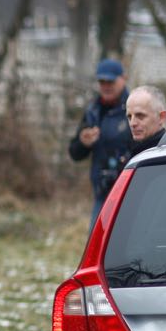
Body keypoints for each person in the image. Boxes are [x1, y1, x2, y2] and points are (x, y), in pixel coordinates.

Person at [68, 59, 132, 229]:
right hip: (102, 195)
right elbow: (75, 153)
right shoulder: (93, 111)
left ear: (123, 78)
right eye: (102, 81)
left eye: (110, 81)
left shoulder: (133, 109)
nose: (106, 86)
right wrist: (83, 142)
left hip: (131, 193)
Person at [126, 85, 166, 158]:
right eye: (129, 117)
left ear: (161, 117)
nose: (132, 123)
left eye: (140, 116)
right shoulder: (132, 151)